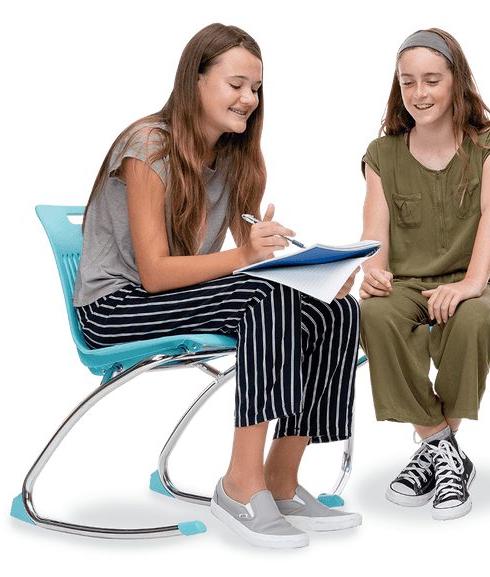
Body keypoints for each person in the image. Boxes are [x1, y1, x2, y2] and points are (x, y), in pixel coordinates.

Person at [72, 22, 361, 549]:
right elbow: (157, 273)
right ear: (195, 81)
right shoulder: (147, 146)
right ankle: (239, 484)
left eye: (256, 88)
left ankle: (282, 477)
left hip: (180, 300)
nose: (249, 98)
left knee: (335, 311)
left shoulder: (235, 159)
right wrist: (247, 257)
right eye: (236, 84)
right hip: (116, 307)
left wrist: (316, 278)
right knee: (263, 298)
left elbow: (242, 268)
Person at [358, 27, 490, 520]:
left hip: (475, 283)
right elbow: (374, 232)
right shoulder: (383, 152)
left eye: (431, 80)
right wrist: (374, 273)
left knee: (470, 318)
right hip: (405, 287)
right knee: (373, 313)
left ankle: (431, 454)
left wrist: (469, 284)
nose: (420, 94)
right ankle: (444, 449)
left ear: (456, 82)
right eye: (408, 83)